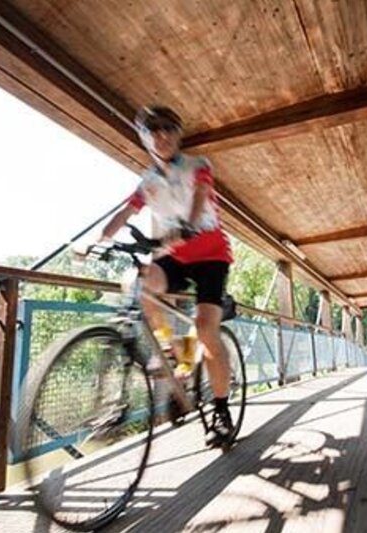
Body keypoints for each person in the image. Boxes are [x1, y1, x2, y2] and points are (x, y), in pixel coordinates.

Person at [83, 105, 235, 447]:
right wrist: (96, 240)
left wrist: (188, 226)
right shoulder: (147, 181)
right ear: (145, 137)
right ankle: (172, 351)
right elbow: (126, 211)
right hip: (174, 254)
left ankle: (221, 411)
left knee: (206, 330)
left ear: (178, 134)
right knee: (139, 283)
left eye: (168, 128)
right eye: (153, 130)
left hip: (210, 253)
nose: (161, 135)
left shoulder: (198, 166)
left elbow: (199, 196)